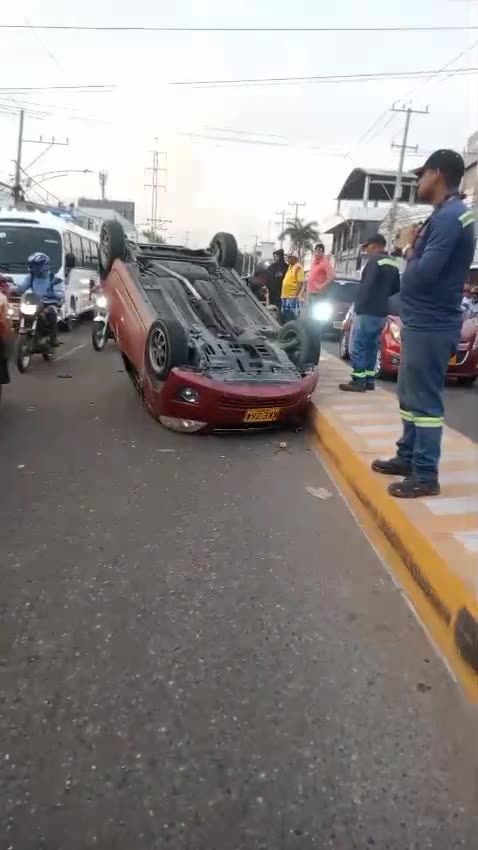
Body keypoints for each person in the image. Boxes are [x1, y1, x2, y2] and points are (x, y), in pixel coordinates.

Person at [372, 149, 476, 498]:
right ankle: (408, 457)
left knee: (426, 402)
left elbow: (423, 275)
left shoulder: (450, 218)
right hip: (423, 321)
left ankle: (425, 473)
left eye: (421, 175)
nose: (418, 182)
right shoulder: (447, 215)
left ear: (436, 174)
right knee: (409, 395)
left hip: (432, 323)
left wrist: (407, 251)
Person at [339, 234, 400, 392]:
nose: (366, 251)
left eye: (367, 248)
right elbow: (396, 288)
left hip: (366, 311)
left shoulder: (374, 262)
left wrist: (357, 308)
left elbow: (366, 287)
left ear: (374, 246)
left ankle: (358, 381)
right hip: (381, 312)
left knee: (358, 345)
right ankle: (369, 380)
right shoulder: (393, 263)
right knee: (372, 346)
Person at [16, 253, 65, 347]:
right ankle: (24, 328)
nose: (34, 267)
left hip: (49, 303)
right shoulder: (31, 277)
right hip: (35, 302)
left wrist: (55, 294)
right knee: (22, 310)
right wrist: (12, 289)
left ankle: (53, 338)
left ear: (44, 265)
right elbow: (22, 288)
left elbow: (60, 293)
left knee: (52, 312)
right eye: (33, 265)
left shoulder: (54, 279)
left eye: (37, 265)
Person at [280, 252, 304, 323]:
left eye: (289, 257)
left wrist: (295, 295)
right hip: (285, 296)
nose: (288, 259)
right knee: (284, 316)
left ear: (294, 258)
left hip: (291, 296)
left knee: (291, 316)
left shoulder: (298, 267)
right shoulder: (290, 267)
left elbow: (300, 282)